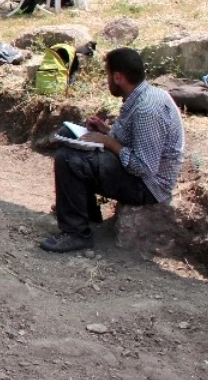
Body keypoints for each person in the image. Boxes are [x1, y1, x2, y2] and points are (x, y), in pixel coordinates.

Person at [41, 48, 185, 253]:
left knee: (68, 159)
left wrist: (108, 143)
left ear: (118, 77)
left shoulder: (146, 109)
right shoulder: (143, 96)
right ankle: (87, 215)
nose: (106, 80)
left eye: (107, 75)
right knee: (71, 140)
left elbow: (144, 168)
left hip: (148, 186)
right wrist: (106, 131)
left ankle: (76, 234)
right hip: (142, 174)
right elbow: (135, 140)